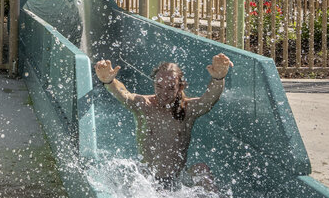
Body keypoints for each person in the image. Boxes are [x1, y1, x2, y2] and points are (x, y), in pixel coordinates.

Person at [93, 53, 232, 188]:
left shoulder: (187, 110)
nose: (164, 93)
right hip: (148, 183)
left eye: (171, 88)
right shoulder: (144, 106)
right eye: (159, 86)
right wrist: (109, 81)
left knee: (201, 170)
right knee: (125, 173)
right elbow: (124, 95)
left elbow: (208, 100)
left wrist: (218, 79)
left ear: (180, 87)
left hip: (176, 182)